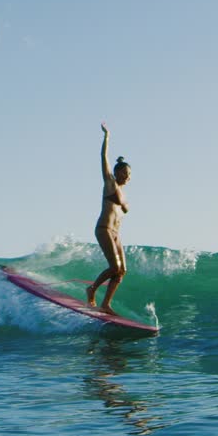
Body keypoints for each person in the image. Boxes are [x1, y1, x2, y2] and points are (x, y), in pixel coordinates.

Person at [87, 123, 131, 313]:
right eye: (126, 173)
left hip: (116, 234)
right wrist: (107, 137)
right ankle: (92, 289)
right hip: (104, 229)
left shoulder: (123, 193)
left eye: (130, 175)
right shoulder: (110, 182)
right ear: (118, 172)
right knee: (114, 266)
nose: (129, 177)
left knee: (121, 271)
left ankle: (106, 304)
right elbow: (103, 157)